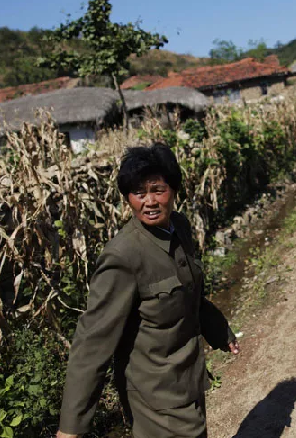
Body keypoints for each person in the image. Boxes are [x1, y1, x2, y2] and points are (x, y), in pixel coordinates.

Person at [56, 143, 240, 438]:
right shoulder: (123, 256)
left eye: (158, 190)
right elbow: (93, 341)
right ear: (128, 198)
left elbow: (190, 294)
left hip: (188, 378)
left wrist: (220, 331)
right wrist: (71, 427)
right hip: (154, 396)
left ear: (174, 190)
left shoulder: (179, 227)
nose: (150, 201)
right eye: (139, 193)